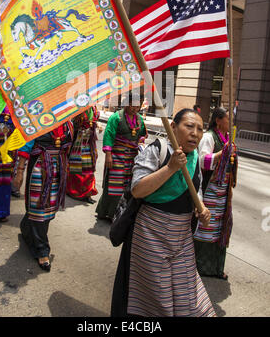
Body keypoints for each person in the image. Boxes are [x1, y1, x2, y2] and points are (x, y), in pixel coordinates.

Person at [111, 108, 215, 317]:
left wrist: (202, 210)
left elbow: (198, 192)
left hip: (181, 240)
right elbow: (138, 189)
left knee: (189, 296)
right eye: (189, 126)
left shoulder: (194, 159)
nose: (195, 133)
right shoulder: (157, 150)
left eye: (200, 129)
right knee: (156, 300)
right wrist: (170, 168)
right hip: (149, 236)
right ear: (173, 128)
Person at [12, 121, 74, 272]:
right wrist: (19, 171)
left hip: (58, 165)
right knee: (39, 207)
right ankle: (42, 250)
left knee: (49, 208)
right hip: (40, 165)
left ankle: (27, 228)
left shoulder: (68, 123)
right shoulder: (38, 119)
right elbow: (26, 146)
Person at [193, 107, 237, 280]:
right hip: (210, 190)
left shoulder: (227, 138)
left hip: (223, 193)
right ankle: (200, 265)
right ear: (218, 120)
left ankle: (216, 267)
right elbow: (202, 160)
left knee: (219, 229)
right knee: (205, 228)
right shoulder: (209, 137)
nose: (230, 122)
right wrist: (221, 153)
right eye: (228, 119)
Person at [95, 94, 147, 221]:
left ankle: (119, 214)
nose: (135, 108)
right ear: (126, 103)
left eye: (138, 106)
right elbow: (109, 135)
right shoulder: (116, 117)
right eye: (133, 105)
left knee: (127, 186)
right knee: (113, 185)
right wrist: (108, 155)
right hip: (117, 155)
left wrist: (141, 141)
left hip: (132, 157)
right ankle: (106, 212)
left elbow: (142, 135)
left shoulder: (139, 119)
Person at [66, 106, 101, 204]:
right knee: (76, 167)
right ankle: (74, 191)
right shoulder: (78, 107)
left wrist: (96, 125)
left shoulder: (94, 109)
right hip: (79, 141)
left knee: (89, 169)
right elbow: (73, 124)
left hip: (89, 142)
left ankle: (88, 193)